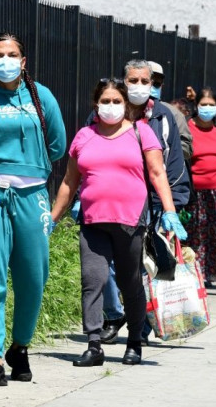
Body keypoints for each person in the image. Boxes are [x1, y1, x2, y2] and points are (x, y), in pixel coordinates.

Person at [0, 32, 67, 387]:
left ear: (24, 61)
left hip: (31, 195)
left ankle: (19, 347)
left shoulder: (41, 96)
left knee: (33, 278)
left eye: (13, 53)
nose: (6, 59)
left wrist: (28, 168)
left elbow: (57, 145)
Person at [50, 78, 186, 366]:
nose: (110, 106)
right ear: (95, 104)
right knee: (93, 280)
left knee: (129, 282)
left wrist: (170, 211)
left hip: (130, 222)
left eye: (116, 101)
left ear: (125, 105)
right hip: (92, 221)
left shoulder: (141, 133)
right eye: (105, 101)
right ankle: (94, 343)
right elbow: (69, 181)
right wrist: (52, 218)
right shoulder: (85, 136)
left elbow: (158, 173)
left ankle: (135, 340)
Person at [98, 59, 192, 344]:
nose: (138, 86)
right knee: (107, 264)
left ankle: (142, 324)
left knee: (144, 264)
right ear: (123, 81)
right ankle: (114, 314)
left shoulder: (165, 117)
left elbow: (173, 162)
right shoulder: (111, 109)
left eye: (145, 81)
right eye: (133, 80)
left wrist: (172, 206)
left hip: (150, 201)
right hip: (114, 198)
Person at [186, 87, 216, 297]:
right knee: (197, 234)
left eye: (211, 105)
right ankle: (200, 277)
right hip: (197, 191)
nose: (207, 109)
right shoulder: (187, 128)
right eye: (203, 104)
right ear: (196, 106)